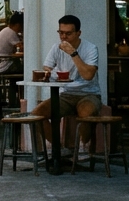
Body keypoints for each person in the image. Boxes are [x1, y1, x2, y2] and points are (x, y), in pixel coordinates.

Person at [33, 14, 102, 159]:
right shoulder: (56, 48)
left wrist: (73, 53)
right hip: (66, 94)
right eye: (61, 33)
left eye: (68, 33)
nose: (64, 37)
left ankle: (84, 148)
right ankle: (60, 148)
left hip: (88, 93)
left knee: (85, 112)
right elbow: (47, 66)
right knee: (37, 114)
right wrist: (48, 73)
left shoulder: (90, 48)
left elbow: (88, 75)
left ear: (78, 33)